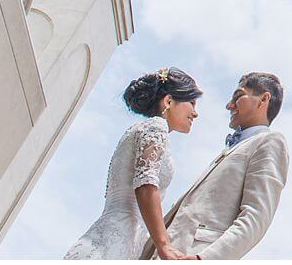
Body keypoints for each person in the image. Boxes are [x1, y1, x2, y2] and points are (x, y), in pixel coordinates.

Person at [141, 72, 290, 260]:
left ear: (264, 99)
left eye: (237, 96)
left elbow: (256, 217)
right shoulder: (232, 148)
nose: (229, 105)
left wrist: (205, 259)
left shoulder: (271, 142)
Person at [65, 68, 202, 260]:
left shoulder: (143, 130)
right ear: (169, 101)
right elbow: (145, 184)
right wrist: (164, 245)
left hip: (119, 237)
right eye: (192, 103)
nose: (195, 113)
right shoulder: (156, 127)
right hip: (117, 241)